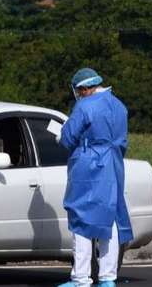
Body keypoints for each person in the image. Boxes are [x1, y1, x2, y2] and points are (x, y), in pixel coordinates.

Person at [58, 68, 133, 287]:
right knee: (110, 217)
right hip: (114, 163)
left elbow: (68, 137)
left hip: (89, 165)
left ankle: (81, 278)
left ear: (82, 89)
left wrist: (62, 135)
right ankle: (108, 277)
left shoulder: (84, 105)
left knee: (81, 219)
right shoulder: (119, 106)